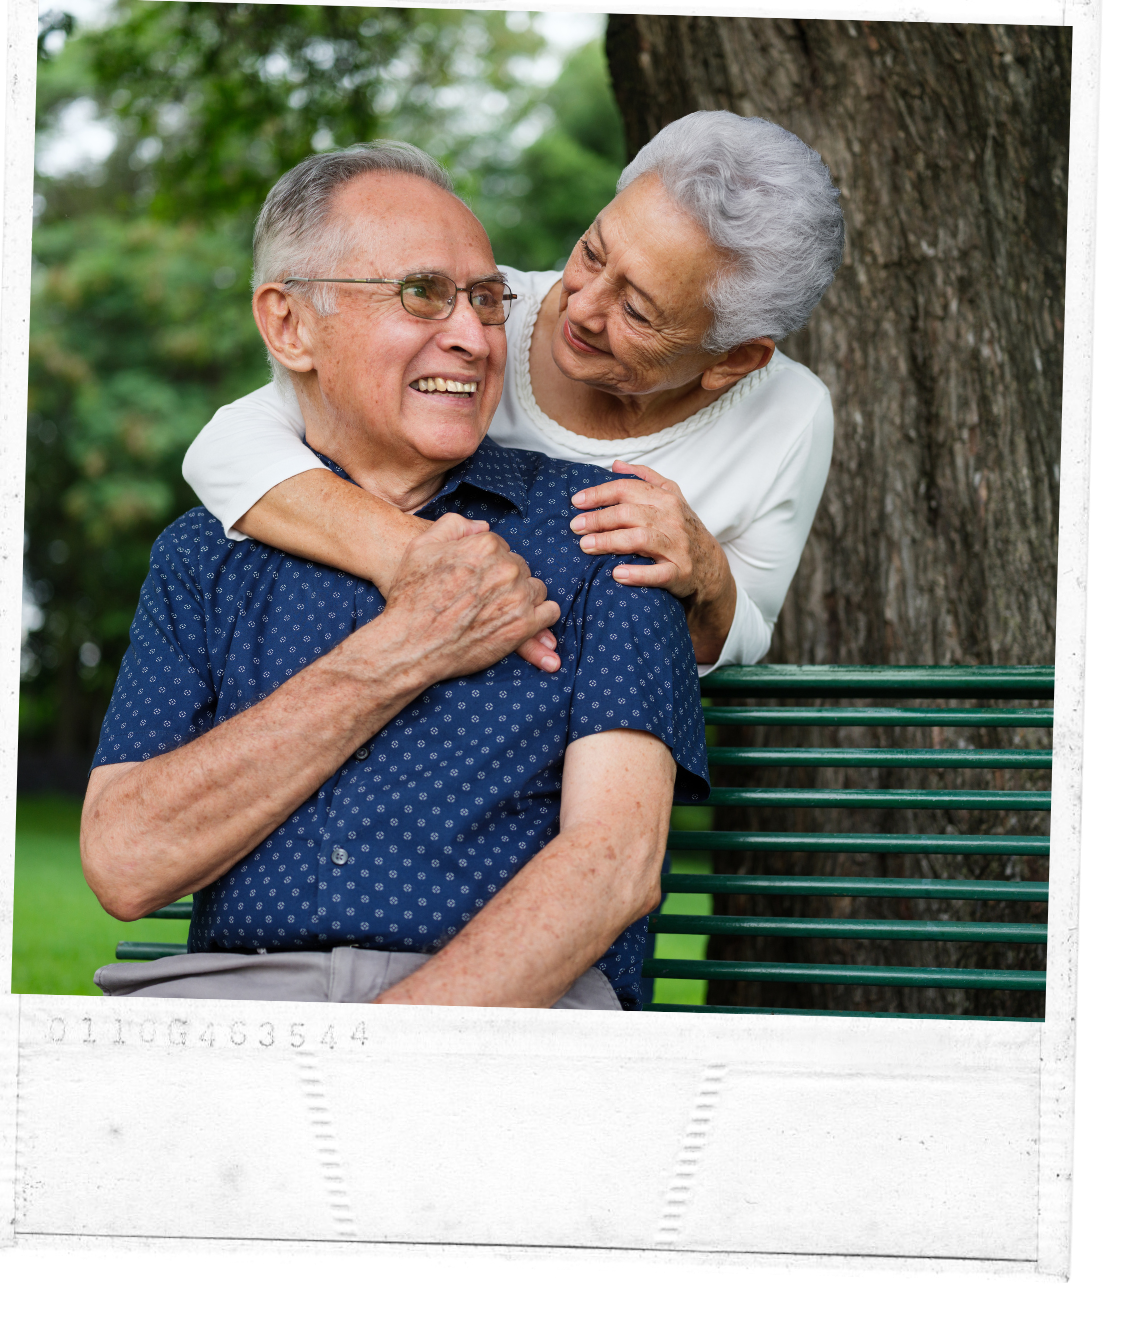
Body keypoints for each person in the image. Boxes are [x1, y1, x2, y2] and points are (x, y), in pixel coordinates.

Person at [82, 143, 708, 1011]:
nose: (472, 336)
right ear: (290, 325)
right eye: (421, 293)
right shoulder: (202, 558)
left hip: (511, 1018)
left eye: (487, 299)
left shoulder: (604, 527)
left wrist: (390, 1051)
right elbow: (124, 860)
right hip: (245, 1007)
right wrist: (402, 650)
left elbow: (617, 867)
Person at [182, 111, 844, 674]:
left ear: (733, 360)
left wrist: (708, 577)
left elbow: (744, 629)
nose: (580, 306)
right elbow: (228, 447)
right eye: (591, 251)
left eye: (637, 312)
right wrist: (418, 558)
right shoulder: (474, 316)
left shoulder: (789, 413)